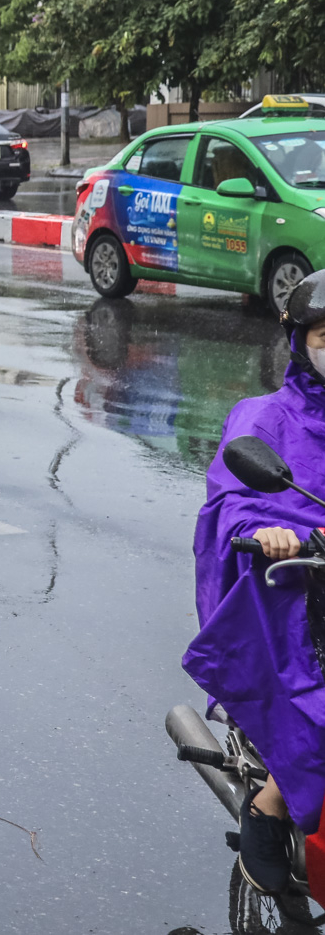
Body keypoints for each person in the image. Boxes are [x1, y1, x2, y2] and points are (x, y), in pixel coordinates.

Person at [186, 270, 325, 893]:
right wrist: (272, 532)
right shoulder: (264, 418)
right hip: (295, 589)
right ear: (300, 340)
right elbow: (231, 502)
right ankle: (269, 806)